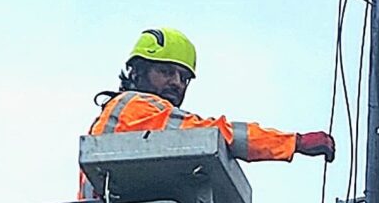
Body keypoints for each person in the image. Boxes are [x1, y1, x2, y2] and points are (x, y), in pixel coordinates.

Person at [85, 25, 334, 165]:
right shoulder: (135, 107)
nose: (176, 83)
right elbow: (215, 134)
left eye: (184, 78)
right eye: (165, 71)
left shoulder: (131, 119)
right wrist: (294, 142)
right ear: (138, 72)